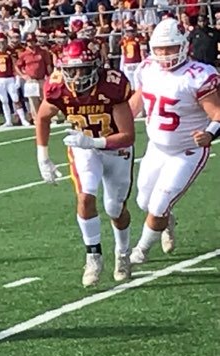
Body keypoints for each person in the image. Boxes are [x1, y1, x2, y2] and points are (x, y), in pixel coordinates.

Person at [36, 39, 136, 287]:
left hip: (116, 149)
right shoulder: (58, 86)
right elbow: (43, 117)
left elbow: (127, 135)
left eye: (83, 69)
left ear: (96, 66)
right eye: (72, 70)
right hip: (84, 149)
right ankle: (93, 256)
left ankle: (123, 253)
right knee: (85, 197)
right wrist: (43, 156)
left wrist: (94, 142)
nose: (77, 76)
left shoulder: (112, 85)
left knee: (115, 209)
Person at [128, 19, 220, 264]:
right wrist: (119, 122)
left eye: (170, 48)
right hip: (156, 148)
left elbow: (217, 113)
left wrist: (210, 133)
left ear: (183, 46)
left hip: (187, 150)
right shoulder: (147, 68)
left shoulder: (198, 75)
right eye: (160, 49)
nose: (165, 54)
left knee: (158, 205)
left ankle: (140, 251)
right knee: (143, 202)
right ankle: (166, 220)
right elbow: (137, 100)